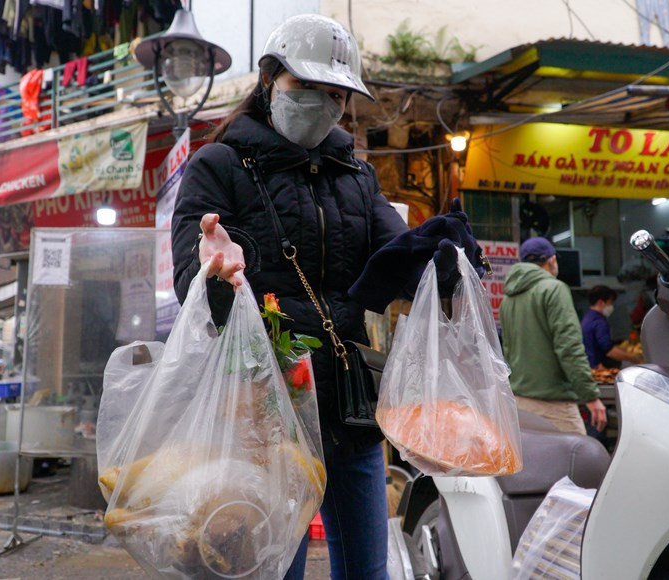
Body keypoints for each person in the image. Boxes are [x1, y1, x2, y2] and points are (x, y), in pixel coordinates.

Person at [171, 14, 480, 579]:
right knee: (270, 569)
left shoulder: (356, 176)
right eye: (306, 87)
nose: (323, 102)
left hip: (350, 408)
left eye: (335, 93)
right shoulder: (218, 167)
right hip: (264, 416)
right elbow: (190, 285)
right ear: (269, 81)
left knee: (368, 570)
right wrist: (213, 273)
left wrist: (441, 262)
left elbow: (396, 257)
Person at [499, 237, 607, 435]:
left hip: (520, 402)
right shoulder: (554, 289)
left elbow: (507, 350)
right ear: (551, 260)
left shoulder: (508, 299)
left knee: (535, 464)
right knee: (584, 463)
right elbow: (569, 347)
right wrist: (590, 396)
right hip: (554, 405)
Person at [582, 285, 642, 369]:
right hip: (598, 368)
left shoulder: (588, 317)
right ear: (600, 303)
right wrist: (634, 358)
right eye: (610, 303)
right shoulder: (599, 322)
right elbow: (609, 351)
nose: (612, 306)